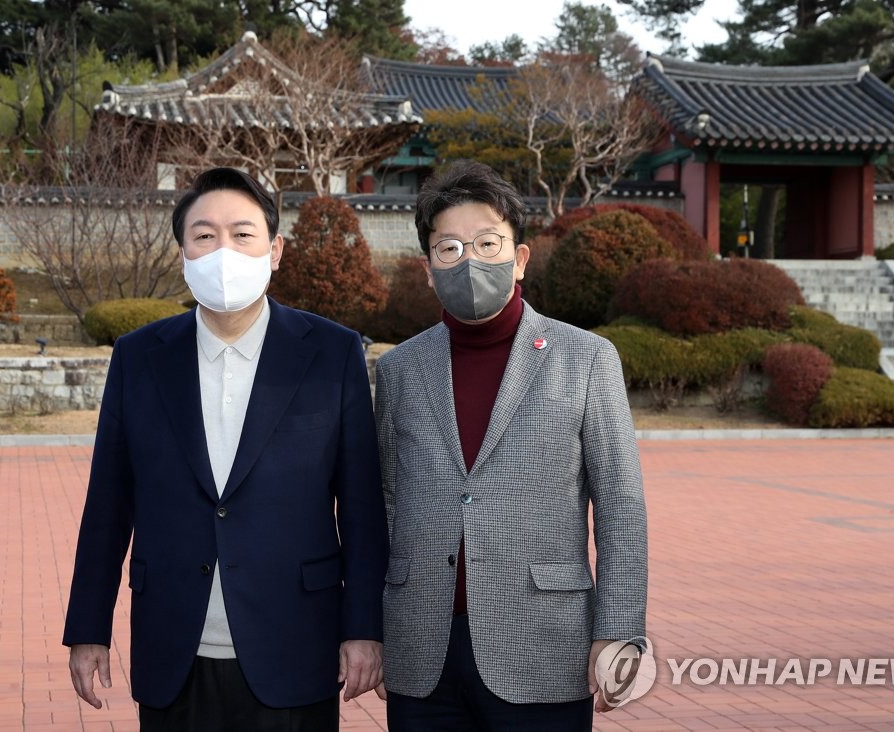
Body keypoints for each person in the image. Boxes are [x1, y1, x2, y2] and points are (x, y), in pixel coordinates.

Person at [63, 167, 388, 731]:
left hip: (296, 642)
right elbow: (108, 504)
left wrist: (364, 627)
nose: (224, 251)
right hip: (174, 643)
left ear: (275, 249)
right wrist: (88, 626)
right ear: (184, 253)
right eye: (205, 235)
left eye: (243, 234)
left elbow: (361, 505)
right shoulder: (140, 358)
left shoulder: (331, 354)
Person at [374, 159, 648, 730]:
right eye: (448, 248)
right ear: (428, 268)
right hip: (423, 646)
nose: (468, 259)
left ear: (519, 258)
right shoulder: (399, 370)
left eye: (487, 242)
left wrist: (618, 633)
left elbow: (621, 508)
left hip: (544, 642)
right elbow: (387, 502)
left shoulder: (586, 359)